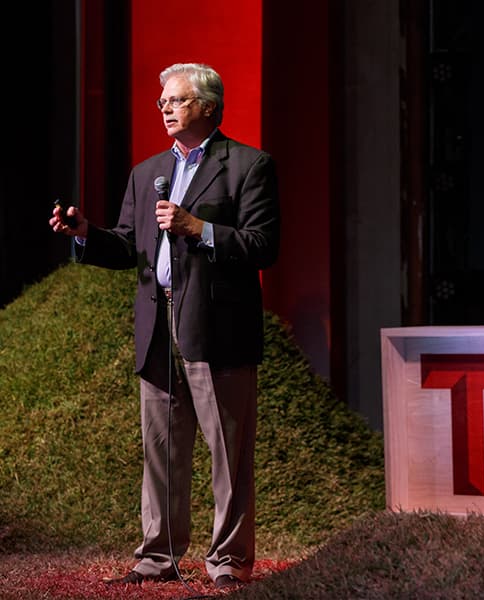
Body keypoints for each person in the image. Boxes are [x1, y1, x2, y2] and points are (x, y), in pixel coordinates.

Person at [50, 62, 279, 590]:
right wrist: (85, 232)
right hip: (158, 323)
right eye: (162, 103)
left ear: (208, 106)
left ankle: (227, 562)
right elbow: (130, 246)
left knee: (228, 453)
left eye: (176, 101)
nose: (166, 110)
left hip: (218, 326)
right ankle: (158, 556)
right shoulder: (147, 170)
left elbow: (265, 246)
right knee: (163, 448)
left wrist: (199, 228)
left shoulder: (248, 165)